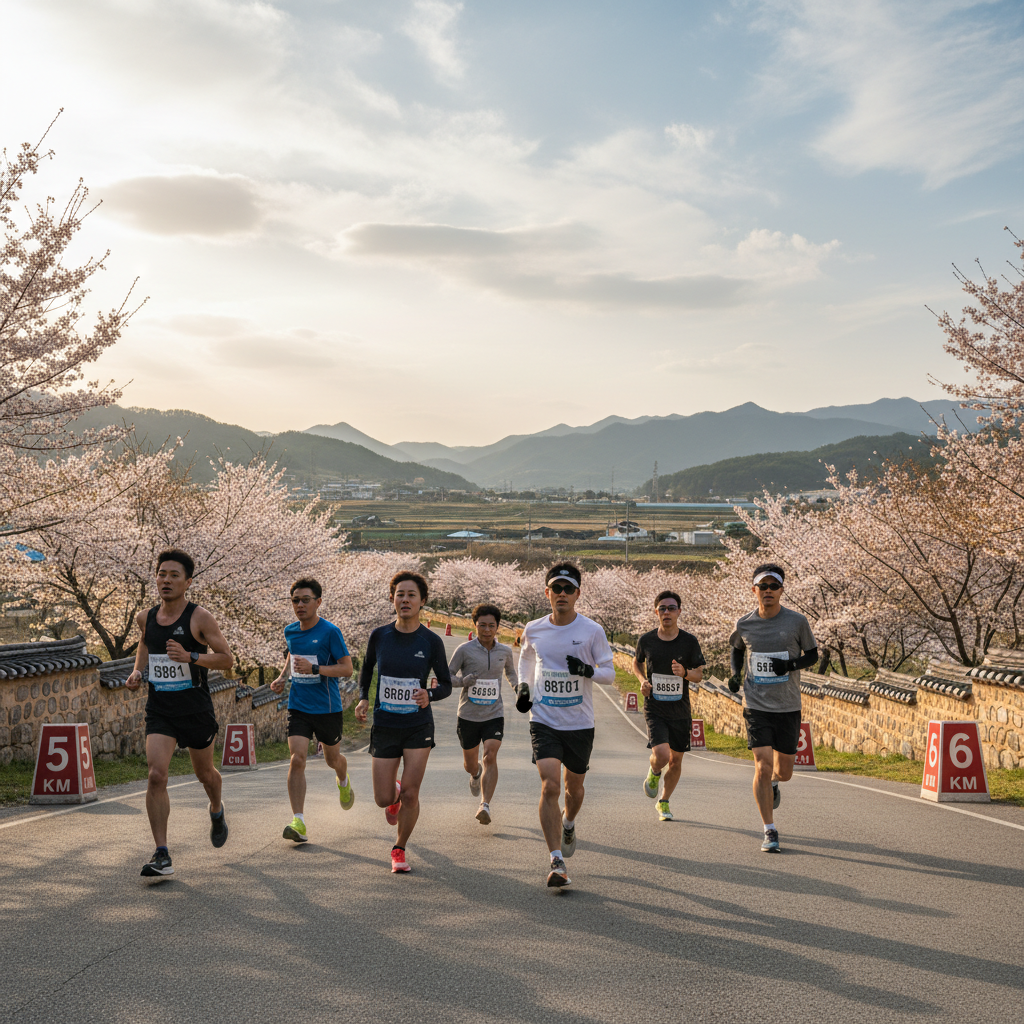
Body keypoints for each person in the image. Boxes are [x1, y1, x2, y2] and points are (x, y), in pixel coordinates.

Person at [126, 550, 234, 877]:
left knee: (205, 775)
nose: (166, 580)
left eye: (174, 575)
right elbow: (145, 643)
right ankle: (161, 853)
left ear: (187, 582)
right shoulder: (145, 617)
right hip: (161, 710)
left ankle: (216, 809)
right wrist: (137, 671)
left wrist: (191, 657)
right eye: (162, 574)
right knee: (156, 775)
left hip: (195, 710)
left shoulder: (199, 617)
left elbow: (227, 659)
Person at [518, 562, 615, 888]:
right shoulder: (534, 628)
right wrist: (524, 686)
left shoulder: (592, 631)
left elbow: (610, 673)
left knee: (573, 789)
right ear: (547, 593)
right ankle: (556, 860)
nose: (561, 594)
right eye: (556, 588)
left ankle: (569, 821)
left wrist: (587, 671)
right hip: (543, 718)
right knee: (550, 786)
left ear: (577, 594)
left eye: (568, 589)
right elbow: (527, 658)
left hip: (579, 723)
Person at [354, 571, 452, 873]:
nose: (405, 599)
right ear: (392, 598)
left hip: (417, 725)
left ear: (422, 601)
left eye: (411, 595)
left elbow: (446, 684)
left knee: (412, 793)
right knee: (384, 798)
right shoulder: (379, 636)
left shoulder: (431, 641)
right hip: (385, 724)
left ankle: (399, 848)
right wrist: (364, 698)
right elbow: (367, 669)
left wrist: (429, 696)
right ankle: (394, 792)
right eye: (400, 594)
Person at [728, 563, 818, 852]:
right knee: (762, 765)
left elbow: (812, 656)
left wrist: (790, 665)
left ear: (781, 590)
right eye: (762, 586)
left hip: (788, 705)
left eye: (773, 586)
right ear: (754, 590)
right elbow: (737, 649)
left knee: (784, 771)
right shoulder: (745, 623)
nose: (768, 591)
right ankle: (769, 830)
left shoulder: (796, 622)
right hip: (756, 704)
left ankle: (776, 784)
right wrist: (733, 674)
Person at [270, 578, 355, 844]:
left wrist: (316, 669)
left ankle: (343, 778)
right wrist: (283, 676)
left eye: (306, 600)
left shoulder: (330, 632)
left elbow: (346, 669)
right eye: (295, 600)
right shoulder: (290, 631)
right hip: (299, 705)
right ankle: (299, 821)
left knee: (332, 759)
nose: (300, 605)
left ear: (318, 602)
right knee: (297, 759)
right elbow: (292, 654)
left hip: (327, 708)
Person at [633, 590, 706, 821]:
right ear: (656, 612)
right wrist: (643, 681)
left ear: (679, 612)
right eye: (662, 608)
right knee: (662, 754)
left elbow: (699, 675)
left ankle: (663, 802)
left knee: (676, 761)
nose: (667, 612)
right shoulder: (646, 640)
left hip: (680, 710)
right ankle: (654, 772)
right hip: (655, 707)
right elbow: (636, 663)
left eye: (671, 608)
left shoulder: (689, 641)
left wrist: (685, 672)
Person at [448, 603, 519, 825]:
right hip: (468, 715)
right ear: (475, 625)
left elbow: (511, 674)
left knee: (490, 754)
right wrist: (462, 681)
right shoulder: (463, 650)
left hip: (494, 713)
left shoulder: (505, 651)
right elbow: (446, 676)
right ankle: (475, 773)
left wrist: (519, 691)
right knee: (471, 763)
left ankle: (485, 805)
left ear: (498, 627)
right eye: (482, 626)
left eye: (491, 626)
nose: (487, 630)